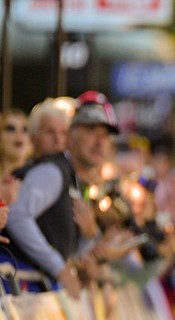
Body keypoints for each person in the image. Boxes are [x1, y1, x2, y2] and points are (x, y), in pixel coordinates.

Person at [5, 92, 117, 295]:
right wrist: (60, 268)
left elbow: (60, 245)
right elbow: (17, 216)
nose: (100, 142)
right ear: (71, 134)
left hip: (30, 288)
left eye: (106, 135)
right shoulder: (53, 171)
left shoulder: (73, 179)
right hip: (15, 283)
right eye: (92, 131)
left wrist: (88, 238)